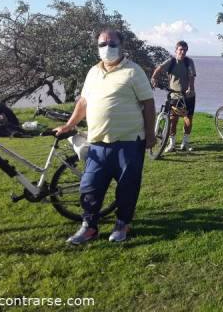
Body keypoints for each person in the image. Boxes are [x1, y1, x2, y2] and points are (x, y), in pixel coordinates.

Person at [55, 29, 156, 244]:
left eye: (112, 43)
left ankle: (123, 224)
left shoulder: (134, 71)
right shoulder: (93, 72)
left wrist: (150, 133)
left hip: (129, 142)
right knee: (89, 186)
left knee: (127, 187)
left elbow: (148, 103)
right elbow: (83, 102)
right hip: (98, 143)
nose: (107, 48)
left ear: (122, 45)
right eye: (102, 44)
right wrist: (69, 124)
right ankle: (89, 227)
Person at [151, 41, 196, 152]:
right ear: (176, 50)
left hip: (188, 95)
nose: (183, 52)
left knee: (188, 119)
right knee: (173, 119)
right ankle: (171, 144)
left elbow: (191, 76)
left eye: (185, 50)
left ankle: (185, 143)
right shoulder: (171, 61)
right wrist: (154, 78)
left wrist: (190, 88)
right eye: (181, 49)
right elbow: (159, 68)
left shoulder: (189, 62)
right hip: (174, 95)